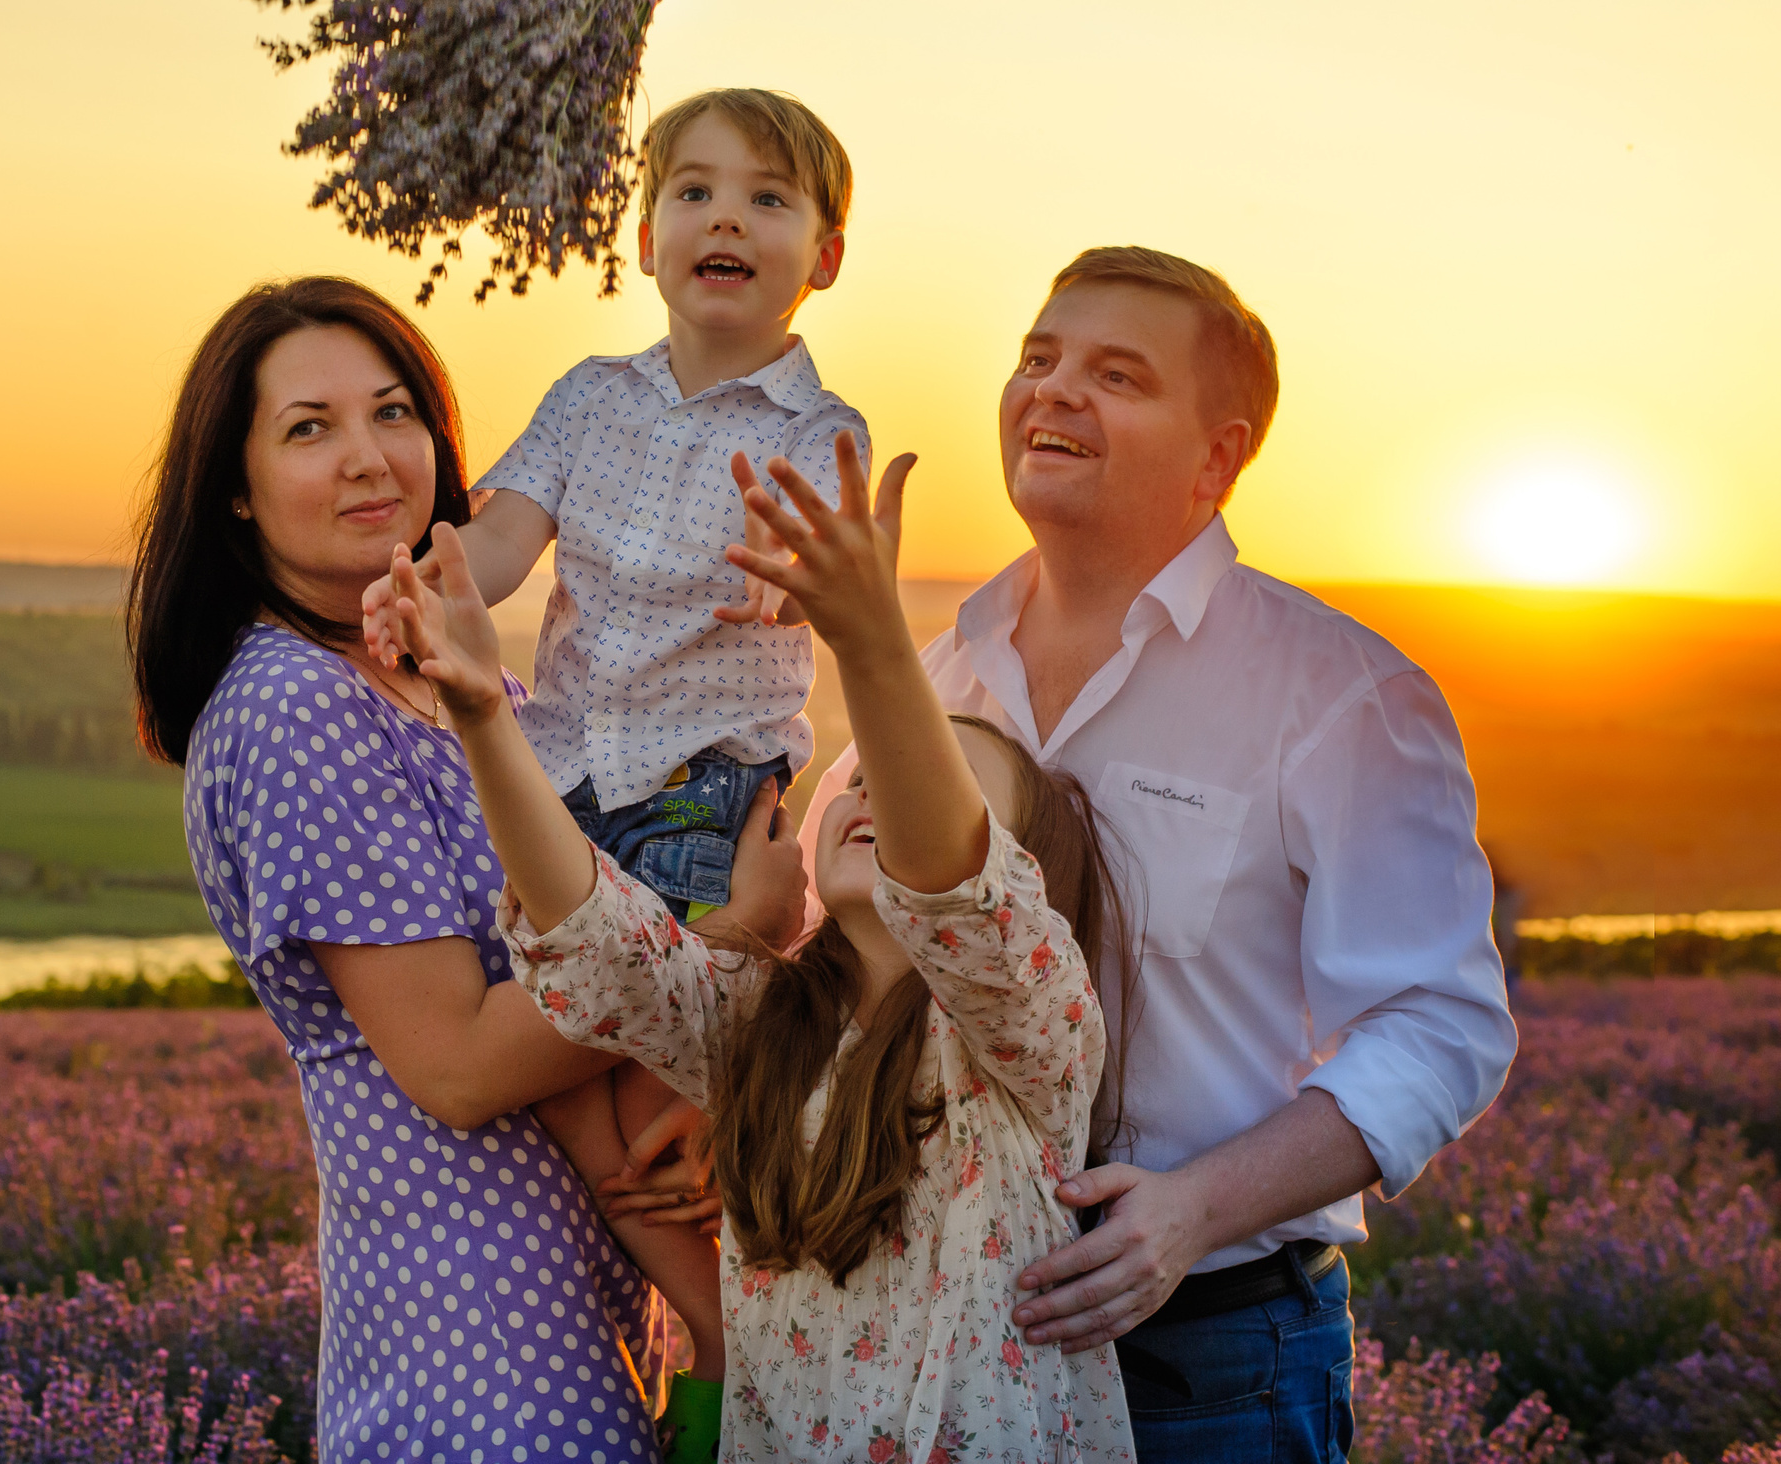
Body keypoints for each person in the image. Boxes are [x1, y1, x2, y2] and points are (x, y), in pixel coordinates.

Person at [800, 247, 1518, 1462]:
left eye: (1116, 375)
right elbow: (832, 942)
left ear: (1218, 457)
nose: (1054, 390)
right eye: (1038, 358)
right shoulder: (937, 678)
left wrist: (1193, 1211)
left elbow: (1440, 1028)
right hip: (928, 1334)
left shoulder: (1339, 693)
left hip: (1209, 1361)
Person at [127, 275, 807, 1464]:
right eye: (308, 428)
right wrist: (727, 942)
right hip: (478, 1352)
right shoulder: (294, 703)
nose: (368, 459)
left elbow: (598, 966)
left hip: (580, 1327)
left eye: (393, 414)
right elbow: (454, 1064)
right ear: (233, 490)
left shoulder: (463, 687)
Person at [379, 431, 1139, 1462]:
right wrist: (482, 716)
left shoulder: (1027, 1049)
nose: (872, 788)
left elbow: (956, 892)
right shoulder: (760, 1023)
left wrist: (870, 644)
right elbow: (603, 945)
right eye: (863, 771)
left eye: (924, 784)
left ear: (1028, 882)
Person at [361, 89, 870, 1436]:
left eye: (769, 199)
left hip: (710, 800)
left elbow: (833, 588)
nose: (727, 218)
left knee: (671, 1140)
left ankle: (732, 1367)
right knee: (592, 1125)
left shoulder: (824, 434)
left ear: (821, 255)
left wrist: (798, 588)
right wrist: (424, 589)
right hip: (566, 791)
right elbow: (502, 543)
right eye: (696, 192)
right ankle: (691, 1361)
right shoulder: (588, 404)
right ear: (647, 239)